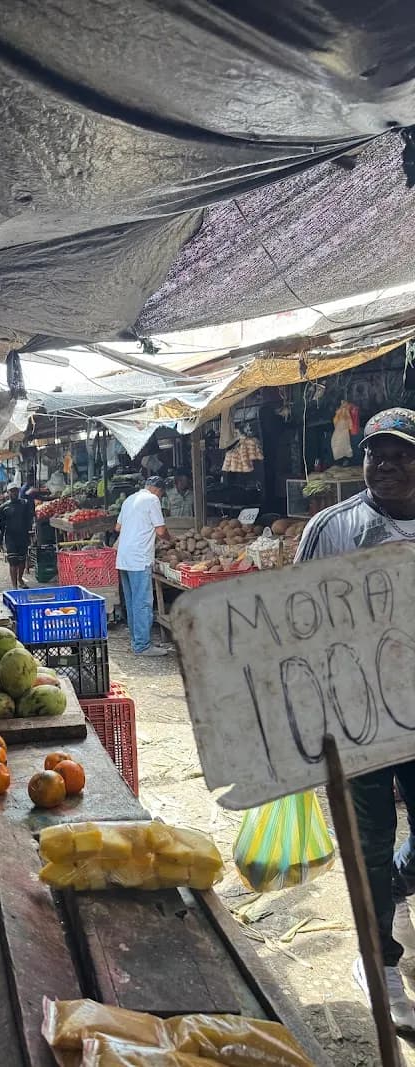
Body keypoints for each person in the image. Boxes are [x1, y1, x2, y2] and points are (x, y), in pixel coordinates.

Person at [295, 407, 415, 1031]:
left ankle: (398, 882)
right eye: (375, 454)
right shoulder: (330, 528)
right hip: (358, 719)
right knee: (366, 845)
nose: (384, 465)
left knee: (396, 858)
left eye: (400, 454)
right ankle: (383, 965)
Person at [115, 476, 171, 656]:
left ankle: (136, 641)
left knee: (132, 602)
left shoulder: (129, 499)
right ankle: (142, 645)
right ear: (158, 490)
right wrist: (171, 540)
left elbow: (118, 527)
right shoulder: (152, 500)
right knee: (143, 602)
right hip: (139, 558)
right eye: (162, 494)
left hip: (124, 556)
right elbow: (161, 531)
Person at [0, 482, 34, 588]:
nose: (14, 493)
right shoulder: (4, 507)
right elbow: (2, 525)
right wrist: (0, 540)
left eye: (15, 490)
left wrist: (30, 532)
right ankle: (14, 585)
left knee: (22, 560)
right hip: (10, 537)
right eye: (11, 491)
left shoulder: (25, 504)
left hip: (23, 536)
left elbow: (29, 518)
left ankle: (20, 579)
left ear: (18, 491)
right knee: (13, 561)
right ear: (8, 492)